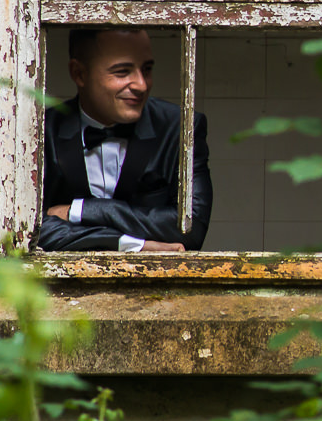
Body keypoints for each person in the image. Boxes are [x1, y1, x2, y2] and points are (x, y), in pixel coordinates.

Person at [35, 27, 212, 253]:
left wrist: (81, 211)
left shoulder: (182, 128)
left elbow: (191, 229)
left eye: (146, 69)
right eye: (122, 72)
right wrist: (132, 245)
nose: (141, 85)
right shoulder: (40, 130)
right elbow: (30, 231)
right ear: (79, 74)